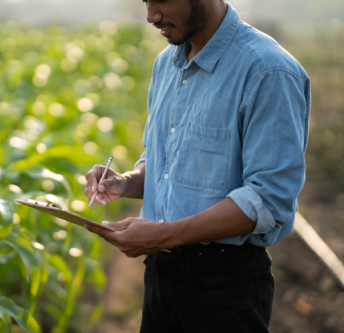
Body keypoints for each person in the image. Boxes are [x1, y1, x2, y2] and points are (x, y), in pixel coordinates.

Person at [83, 0, 310, 332]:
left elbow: (269, 200)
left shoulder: (267, 70)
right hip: (159, 276)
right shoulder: (167, 65)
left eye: (161, 0)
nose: (151, 16)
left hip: (224, 287)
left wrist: (164, 234)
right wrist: (128, 181)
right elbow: (167, 163)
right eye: (146, 2)